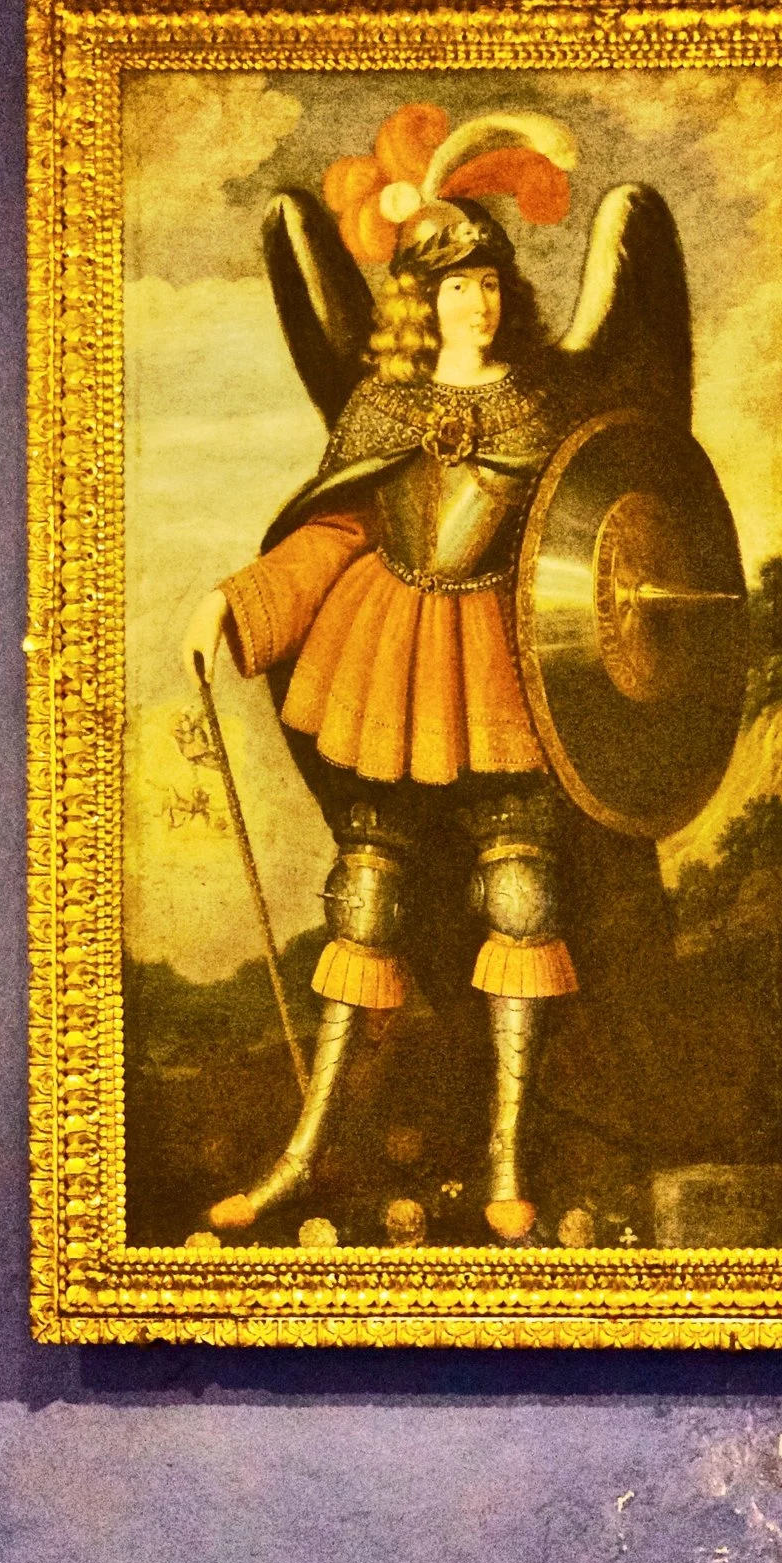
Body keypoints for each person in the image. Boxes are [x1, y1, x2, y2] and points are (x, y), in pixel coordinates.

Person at [186, 122, 583, 1243]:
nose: (477, 302)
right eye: (456, 284)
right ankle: (305, 1153)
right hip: (388, 649)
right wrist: (231, 597)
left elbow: (583, 535)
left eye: (490, 280)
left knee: (521, 896)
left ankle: (508, 1160)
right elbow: (337, 529)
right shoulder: (380, 411)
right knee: (364, 895)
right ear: (420, 296)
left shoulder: (539, 410)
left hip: (504, 661)